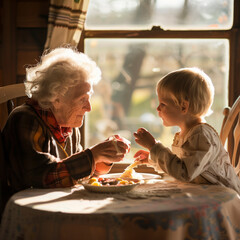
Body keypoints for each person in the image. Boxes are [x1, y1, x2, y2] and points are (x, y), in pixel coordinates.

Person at [2, 47, 130, 197]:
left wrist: (103, 157)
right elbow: (39, 177)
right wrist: (91, 156)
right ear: (56, 99)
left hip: (54, 202)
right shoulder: (25, 119)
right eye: (82, 100)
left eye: (89, 99)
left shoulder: (68, 126)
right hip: (24, 208)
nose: (88, 108)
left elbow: (73, 174)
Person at [133, 67, 240, 194]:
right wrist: (152, 158)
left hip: (219, 195)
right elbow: (179, 165)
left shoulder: (200, 135)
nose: (157, 108)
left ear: (184, 106)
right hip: (204, 192)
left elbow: (184, 173)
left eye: (163, 104)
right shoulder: (189, 133)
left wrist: (154, 147)